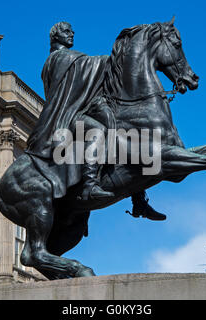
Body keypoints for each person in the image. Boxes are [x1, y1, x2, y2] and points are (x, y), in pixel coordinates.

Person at [25, 21, 166, 220]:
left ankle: (139, 200)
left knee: (122, 134)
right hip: (66, 117)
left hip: (78, 110)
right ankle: (89, 185)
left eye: (72, 31)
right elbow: (87, 70)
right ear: (55, 36)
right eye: (66, 31)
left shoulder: (70, 58)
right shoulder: (59, 59)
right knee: (97, 131)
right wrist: (122, 57)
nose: (71, 34)